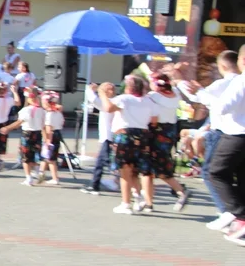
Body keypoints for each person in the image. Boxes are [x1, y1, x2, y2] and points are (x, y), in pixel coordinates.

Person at [175, 51, 240, 227]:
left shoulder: (228, 83)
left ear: (223, 66)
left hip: (224, 133)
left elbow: (198, 97)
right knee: (234, 175)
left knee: (212, 173)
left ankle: (228, 212)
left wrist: (178, 79)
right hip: (230, 134)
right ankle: (234, 213)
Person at [98, 75, 158, 215]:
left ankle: (126, 204)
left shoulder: (124, 99)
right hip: (142, 135)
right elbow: (154, 120)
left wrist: (102, 93)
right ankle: (138, 196)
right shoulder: (148, 101)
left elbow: (108, 108)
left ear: (129, 87)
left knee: (124, 170)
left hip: (124, 135)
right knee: (135, 170)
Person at [208, 45, 245, 243]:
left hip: (236, 134)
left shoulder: (241, 80)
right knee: (241, 177)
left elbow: (223, 107)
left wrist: (207, 98)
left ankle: (239, 215)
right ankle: (240, 222)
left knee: (216, 173)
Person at [146, 73, 190, 212]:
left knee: (153, 166)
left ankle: (180, 190)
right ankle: (148, 199)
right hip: (170, 131)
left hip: (157, 130)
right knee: (154, 166)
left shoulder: (153, 97)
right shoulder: (175, 94)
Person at [1, 86, 44, 186]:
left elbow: (19, 122)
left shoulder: (25, 110)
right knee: (35, 154)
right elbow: (43, 124)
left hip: (27, 134)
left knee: (26, 157)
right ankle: (37, 172)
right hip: (37, 134)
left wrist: (8, 128)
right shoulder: (42, 110)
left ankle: (28, 177)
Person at [81, 82, 115, 195]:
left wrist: (90, 89)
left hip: (108, 137)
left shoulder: (107, 103)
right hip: (109, 137)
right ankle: (96, 185)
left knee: (105, 162)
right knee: (104, 162)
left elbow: (93, 99)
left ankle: (95, 185)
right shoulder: (115, 102)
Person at [36, 91, 64, 185]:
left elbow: (48, 128)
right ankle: (41, 174)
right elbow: (62, 123)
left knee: (51, 158)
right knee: (45, 157)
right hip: (57, 133)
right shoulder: (58, 113)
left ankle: (55, 178)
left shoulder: (49, 114)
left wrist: (47, 141)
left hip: (50, 136)